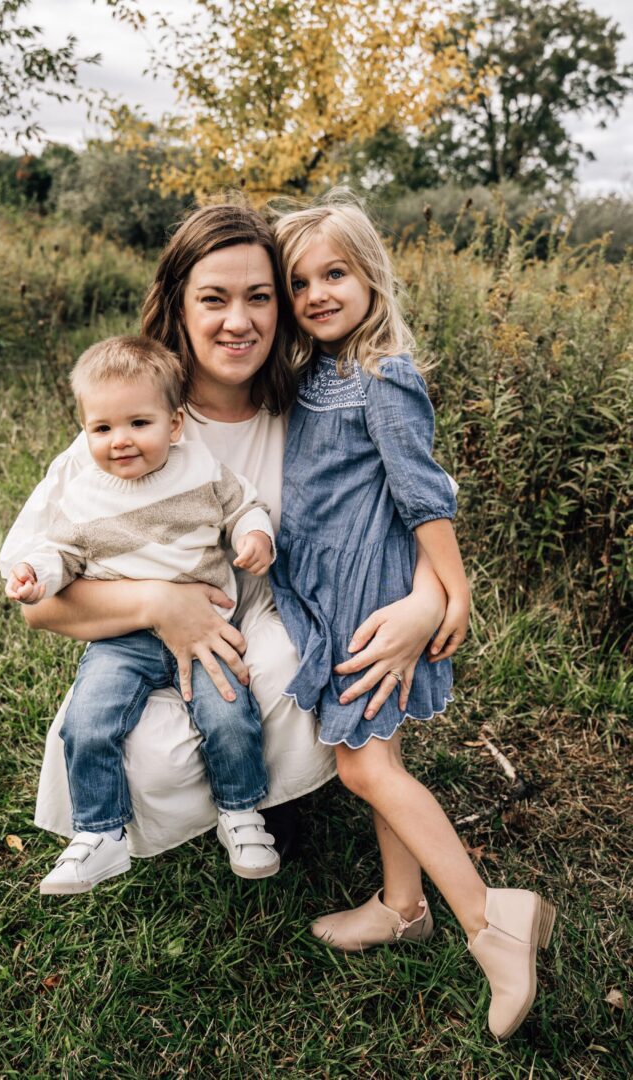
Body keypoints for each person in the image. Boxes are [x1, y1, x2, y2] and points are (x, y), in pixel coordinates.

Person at [0, 200, 449, 903]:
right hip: (146, 638)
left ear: (283, 307)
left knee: (285, 665)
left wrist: (427, 601)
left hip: (279, 626)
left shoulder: (313, 406)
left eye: (260, 297)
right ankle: (178, 810)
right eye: (213, 298)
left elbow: (411, 498)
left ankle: (275, 796)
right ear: (177, 306)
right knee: (143, 755)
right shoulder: (132, 429)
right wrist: (161, 603)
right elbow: (40, 609)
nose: (238, 321)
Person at [270, 196, 556, 1040]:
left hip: (370, 591)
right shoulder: (318, 371)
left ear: (371, 277)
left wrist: (451, 588)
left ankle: (488, 923)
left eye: (336, 274)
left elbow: (421, 490)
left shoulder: (382, 372)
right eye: (300, 282)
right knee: (371, 749)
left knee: (362, 766)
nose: (318, 293)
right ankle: (402, 907)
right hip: (331, 584)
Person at [3, 335, 280, 892]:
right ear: (85, 433)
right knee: (88, 721)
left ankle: (241, 813)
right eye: (102, 429)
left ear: (174, 425)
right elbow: (61, 552)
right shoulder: (84, 496)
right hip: (123, 636)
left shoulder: (200, 469)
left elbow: (244, 505)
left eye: (138, 424)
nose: (120, 441)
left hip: (206, 629)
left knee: (228, 713)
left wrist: (255, 535)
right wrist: (38, 575)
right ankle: (99, 834)